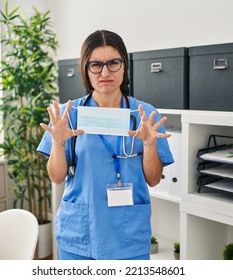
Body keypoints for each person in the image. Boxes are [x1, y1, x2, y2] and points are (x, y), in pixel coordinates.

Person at [37, 30, 174, 260]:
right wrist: (58, 144)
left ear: (124, 65)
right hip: (79, 235)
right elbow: (57, 177)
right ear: (85, 68)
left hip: (128, 237)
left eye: (113, 63)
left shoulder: (145, 115)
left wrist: (150, 145)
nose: (105, 72)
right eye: (96, 65)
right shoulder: (67, 115)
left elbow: (152, 179)